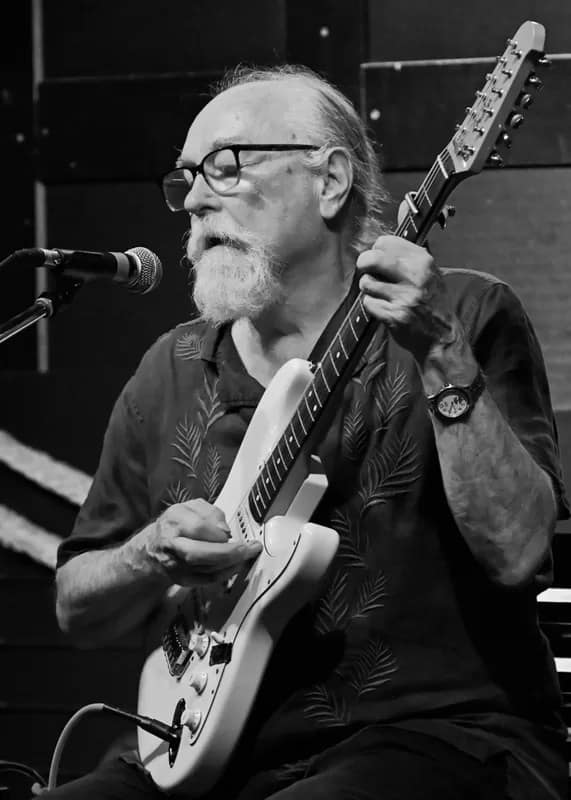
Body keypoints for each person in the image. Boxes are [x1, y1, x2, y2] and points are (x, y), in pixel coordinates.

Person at [49, 63, 569, 800]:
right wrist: (149, 552)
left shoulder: (464, 313)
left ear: (329, 180)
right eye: (184, 180)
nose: (193, 199)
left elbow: (518, 554)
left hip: (439, 739)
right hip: (208, 753)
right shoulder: (170, 369)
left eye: (224, 168)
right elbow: (76, 602)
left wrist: (440, 351)